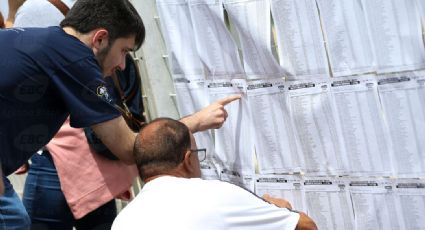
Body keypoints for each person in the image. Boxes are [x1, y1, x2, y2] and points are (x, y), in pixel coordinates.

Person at [0, 0, 239, 228]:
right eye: (124, 51)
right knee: (12, 219)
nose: (123, 65)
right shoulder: (75, 59)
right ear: (101, 38)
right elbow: (129, 148)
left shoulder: (44, 42)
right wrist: (196, 121)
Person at [14, 1, 137, 229]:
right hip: (82, 157)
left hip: (67, 155)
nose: (122, 64)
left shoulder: (36, 10)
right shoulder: (94, 15)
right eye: (123, 53)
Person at [112, 118, 317, 230]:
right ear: (188, 160)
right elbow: (306, 227)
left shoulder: (122, 222)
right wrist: (278, 209)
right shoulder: (215, 195)